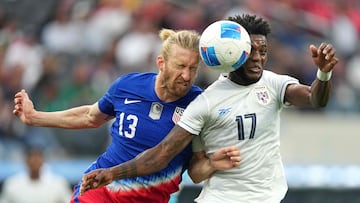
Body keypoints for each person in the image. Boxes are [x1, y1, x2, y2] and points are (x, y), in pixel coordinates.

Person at [79, 14, 339, 203]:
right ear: (233, 52)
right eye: (251, 51)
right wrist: (113, 173)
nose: (259, 57)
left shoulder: (273, 84)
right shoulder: (205, 102)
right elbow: (169, 158)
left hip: (267, 197)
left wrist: (324, 74)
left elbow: (315, 99)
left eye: (263, 50)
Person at [12, 28, 240, 203]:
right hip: (100, 191)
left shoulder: (199, 103)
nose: (186, 75)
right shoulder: (129, 85)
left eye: (193, 68)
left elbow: (196, 172)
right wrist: (35, 117)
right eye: (180, 66)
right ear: (161, 63)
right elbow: (90, 116)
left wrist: (211, 164)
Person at [0, 144, 72, 203]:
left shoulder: (58, 184)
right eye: (31, 156)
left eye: (38, 156)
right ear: (25, 160)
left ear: (43, 160)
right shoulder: (12, 184)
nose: (35, 160)